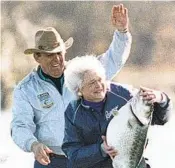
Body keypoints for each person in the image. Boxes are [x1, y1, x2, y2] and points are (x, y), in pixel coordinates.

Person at [11, 4, 132, 168]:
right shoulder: (26, 89)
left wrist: (122, 33)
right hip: (50, 160)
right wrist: (33, 144)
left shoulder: (82, 72)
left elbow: (112, 60)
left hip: (89, 156)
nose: (56, 60)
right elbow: (20, 126)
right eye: (49, 55)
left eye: (59, 53)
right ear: (37, 57)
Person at [62, 55, 172, 168]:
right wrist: (101, 150)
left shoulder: (124, 94)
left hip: (134, 163)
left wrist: (161, 99)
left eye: (100, 79)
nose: (99, 85)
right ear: (79, 89)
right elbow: (73, 155)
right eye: (92, 83)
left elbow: (160, 119)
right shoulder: (72, 112)